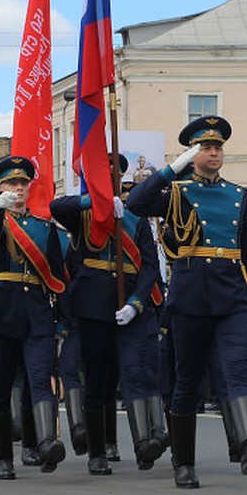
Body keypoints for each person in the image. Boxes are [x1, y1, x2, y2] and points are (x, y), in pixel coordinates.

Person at [126, 115, 247, 489]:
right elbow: (136, 203)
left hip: (232, 295)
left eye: (217, 147)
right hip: (192, 293)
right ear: (192, 155)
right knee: (188, 381)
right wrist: (170, 170)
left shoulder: (238, 194)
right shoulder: (176, 191)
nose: (213, 152)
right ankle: (184, 462)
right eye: (205, 148)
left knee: (238, 369)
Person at [51, 156, 165, 474]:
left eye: (115, 177)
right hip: (92, 307)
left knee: (133, 373)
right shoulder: (84, 214)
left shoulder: (135, 218)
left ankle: (145, 444)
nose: (111, 181)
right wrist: (94, 201)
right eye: (104, 176)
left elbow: (149, 266)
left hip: (128, 306)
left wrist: (137, 303)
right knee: (98, 380)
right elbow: (57, 207)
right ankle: (98, 452)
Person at [0, 155, 68, 480]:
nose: (20, 188)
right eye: (12, 183)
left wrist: (61, 320)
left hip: (37, 310)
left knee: (40, 380)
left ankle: (44, 442)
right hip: (4, 311)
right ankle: (2, 456)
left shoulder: (43, 228)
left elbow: (57, 276)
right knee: (1, 384)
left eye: (23, 183)